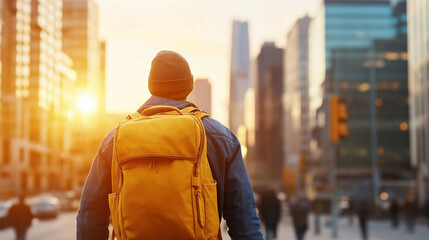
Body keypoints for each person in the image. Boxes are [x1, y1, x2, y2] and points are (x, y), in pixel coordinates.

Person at [76, 50, 264, 240]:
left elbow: (90, 216)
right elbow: (244, 223)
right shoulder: (221, 137)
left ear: (151, 86)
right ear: (188, 87)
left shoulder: (114, 139)